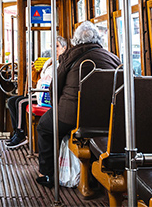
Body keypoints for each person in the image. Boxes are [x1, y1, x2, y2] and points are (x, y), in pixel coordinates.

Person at [36, 21, 120, 188]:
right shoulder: (113, 58)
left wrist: (56, 106)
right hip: (108, 116)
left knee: (45, 128)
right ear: (98, 39)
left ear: (75, 40)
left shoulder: (69, 57)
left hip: (72, 115)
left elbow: (55, 86)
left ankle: (48, 173)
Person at [6, 36, 69, 149]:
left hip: (47, 95)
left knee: (20, 103)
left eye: (57, 46)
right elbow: (38, 79)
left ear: (64, 48)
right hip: (39, 92)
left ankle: (21, 134)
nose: (54, 49)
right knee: (12, 101)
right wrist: (32, 70)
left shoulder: (63, 63)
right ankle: (16, 131)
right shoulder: (49, 62)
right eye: (52, 46)